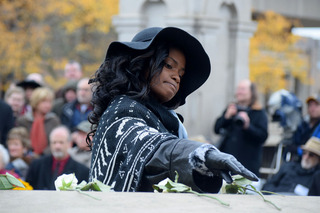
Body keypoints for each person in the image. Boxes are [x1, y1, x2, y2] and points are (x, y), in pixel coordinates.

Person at [87, 27, 258, 193]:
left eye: (181, 74)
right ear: (141, 64)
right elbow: (155, 147)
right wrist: (201, 156)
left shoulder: (166, 120)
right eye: (169, 65)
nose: (176, 76)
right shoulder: (123, 108)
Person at [214, 79, 268, 176]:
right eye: (238, 89)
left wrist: (248, 126)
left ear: (252, 92)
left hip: (247, 166)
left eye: (243, 89)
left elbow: (263, 137)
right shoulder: (232, 109)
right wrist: (226, 117)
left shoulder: (258, 112)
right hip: (226, 165)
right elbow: (216, 129)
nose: (239, 92)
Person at [26, 125, 89, 190]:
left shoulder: (82, 171)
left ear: (69, 144)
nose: (57, 146)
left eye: (61, 142)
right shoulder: (36, 166)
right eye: (54, 142)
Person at [16, 87, 60, 156]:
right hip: (26, 156)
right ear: (36, 102)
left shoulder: (54, 120)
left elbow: (57, 141)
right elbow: (20, 140)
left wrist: (43, 155)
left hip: (48, 157)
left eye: (49, 102)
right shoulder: (23, 120)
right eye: (44, 101)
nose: (47, 105)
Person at [291, 95, 320, 160]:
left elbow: (315, 147)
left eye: (316, 105)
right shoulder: (303, 124)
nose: (313, 108)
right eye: (310, 105)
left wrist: (299, 151)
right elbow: (294, 142)